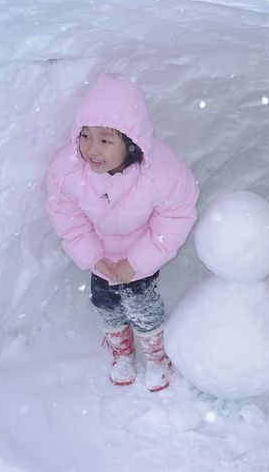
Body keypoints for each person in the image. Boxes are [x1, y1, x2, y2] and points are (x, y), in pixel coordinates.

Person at [45, 74, 199, 392]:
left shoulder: (160, 171)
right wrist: (93, 257)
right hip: (101, 255)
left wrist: (138, 261)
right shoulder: (68, 170)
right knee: (105, 304)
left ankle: (156, 356)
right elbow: (66, 216)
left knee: (142, 305)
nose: (91, 149)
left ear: (130, 143)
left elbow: (176, 216)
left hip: (141, 252)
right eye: (85, 135)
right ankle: (122, 352)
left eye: (105, 139)